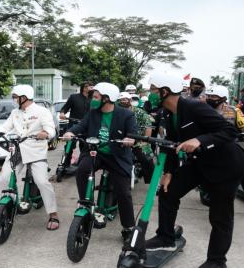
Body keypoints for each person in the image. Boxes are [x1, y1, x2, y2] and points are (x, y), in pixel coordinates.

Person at [143, 73, 244, 268]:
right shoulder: (166, 113)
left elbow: (230, 132)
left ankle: (216, 261)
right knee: (167, 192)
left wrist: (200, 140)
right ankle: (165, 237)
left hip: (226, 165)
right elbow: (171, 145)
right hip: (199, 163)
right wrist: (168, 173)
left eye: (153, 90)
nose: (150, 94)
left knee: (219, 216)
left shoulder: (195, 107)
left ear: (165, 91)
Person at [63, 82, 137, 244]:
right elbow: (81, 125)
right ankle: (85, 204)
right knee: (82, 170)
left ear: (107, 98)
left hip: (117, 156)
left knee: (123, 192)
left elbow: (133, 133)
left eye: (96, 97)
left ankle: (129, 227)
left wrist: (129, 139)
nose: (93, 100)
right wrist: (70, 132)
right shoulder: (93, 113)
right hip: (95, 152)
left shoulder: (126, 115)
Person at [0, 85, 60, 230]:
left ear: (24, 97)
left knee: (42, 181)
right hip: (18, 150)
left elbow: (51, 129)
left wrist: (46, 133)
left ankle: (53, 214)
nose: (14, 99)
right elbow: (6, 127)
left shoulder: (41, 111)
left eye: (15, 97)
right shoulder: (15, 112)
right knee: (3, 179)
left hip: (35, 151)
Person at [117, 92, 155, 183]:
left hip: (139, 140)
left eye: (125, 99)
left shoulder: (140, 112)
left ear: (130, 100)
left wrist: (145, 141)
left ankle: (153, 182)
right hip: (121, 139)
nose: (123, 102)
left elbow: (148, 126)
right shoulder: (116, 112)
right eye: (121, 100)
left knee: (146, 158)